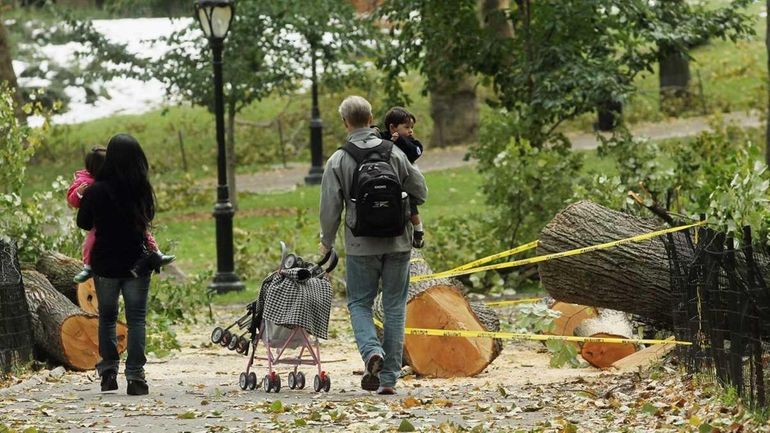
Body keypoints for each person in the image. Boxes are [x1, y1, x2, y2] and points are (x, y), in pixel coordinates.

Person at [319, 96, 428, 395]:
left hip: (360, 244)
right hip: (398, 240)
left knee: (359, 303)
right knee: (394, 306)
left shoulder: (339, 159)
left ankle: (371, 352)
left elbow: (330, 208)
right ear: (371, 119)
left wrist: (325, 244)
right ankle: (389, 378)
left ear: (345, 123)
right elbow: (421, 190)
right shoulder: (393, 151)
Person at [76, 134, 157, 396]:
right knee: (137, 321)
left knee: (107, 318)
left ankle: (108, 373)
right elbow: (148, 218)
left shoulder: (97, 190)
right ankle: (136, 377)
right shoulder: (141, 189)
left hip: (105, 264)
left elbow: (84, 223)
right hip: (136, 263)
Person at [67, 147, 174, 284]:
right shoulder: (84, 181)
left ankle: (157, 253)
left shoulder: (116, 176)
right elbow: (72, 201)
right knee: (91, 241)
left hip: (121, 218)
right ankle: (88, 267)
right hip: (99, 221)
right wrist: (79, 193)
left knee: (143, 231)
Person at [379, 107, 425, 248]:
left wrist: (400, 140)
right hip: (388, 180)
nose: (411, 130)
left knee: (411, 205)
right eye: (406, 127)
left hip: (406, 182)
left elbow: (415, 152)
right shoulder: (383, 138)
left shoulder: (413, 143)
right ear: (393, 127)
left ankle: (418, 231)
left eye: (412, 127)